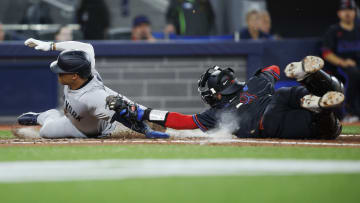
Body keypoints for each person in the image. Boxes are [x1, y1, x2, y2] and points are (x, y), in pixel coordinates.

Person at [108, 56, 344, 140]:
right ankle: (308, 87)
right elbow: (272, 68)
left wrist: (144, 112)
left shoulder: (217, 113)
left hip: (270, 123)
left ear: (216, 93)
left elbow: (182, 121)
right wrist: (263, 75)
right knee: (324, 92)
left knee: (324, 129)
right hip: (285, 99)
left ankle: (318, 107)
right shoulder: (256, 82)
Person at [16, 38, 168, 139]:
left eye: (62, 71)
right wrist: (51, 46)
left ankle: (46, 116)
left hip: (94, 126)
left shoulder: (95, 96)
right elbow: (86, 47)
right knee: (47, 130)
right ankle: (45, 116)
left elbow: (123, 115)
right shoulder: (86, 67)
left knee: (138, 112)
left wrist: (146, 131)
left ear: (75, 75)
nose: (58, 74)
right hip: (80, 117)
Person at [321, 0, 360, 123]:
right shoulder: (333, 30)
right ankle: (347, 112)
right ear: (339, 13)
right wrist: (343, 62)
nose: (347, 13)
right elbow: (326, 53)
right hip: (338, 68)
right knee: (352, 73)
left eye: (350, 10)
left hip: (357, 64)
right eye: (344, 10)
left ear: (355, 12)